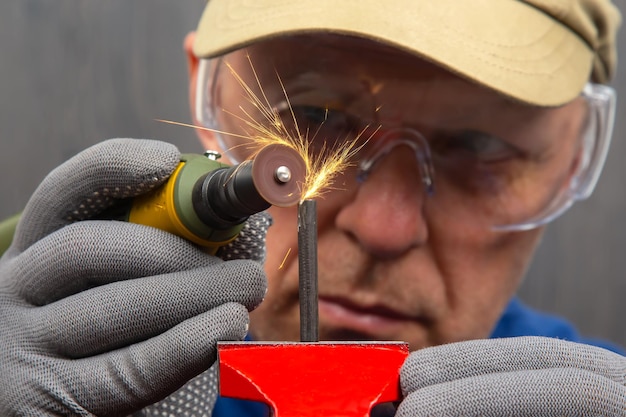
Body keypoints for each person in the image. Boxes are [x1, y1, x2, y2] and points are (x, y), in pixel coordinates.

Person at [1, 0, 625, 416]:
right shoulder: (39, 367)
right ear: (206, 97)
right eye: (314, 117)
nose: (384, 227)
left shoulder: (595, 397)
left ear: (572, 158)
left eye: (479, 146)